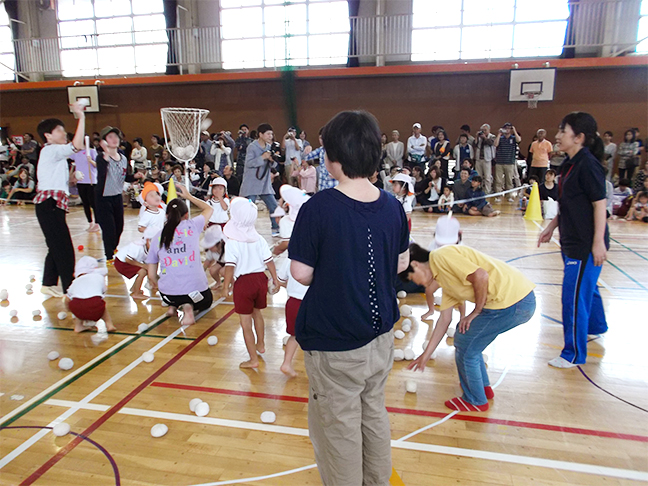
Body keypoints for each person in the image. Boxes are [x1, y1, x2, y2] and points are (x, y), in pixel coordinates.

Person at [288, 110, 410, 486]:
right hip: (380, 338)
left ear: (334, 158)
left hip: (337, 342)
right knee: (372, 413)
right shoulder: (392, 204)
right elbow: (402, 261)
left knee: (338, 431)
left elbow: (300, 273)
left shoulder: (319, 208)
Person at [402, 243, 536, 411]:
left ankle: (475, 399)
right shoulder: (443, 279)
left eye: (413, 279)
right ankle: (482, 388)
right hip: (514, 300)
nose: (419, 284)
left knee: (465, 343)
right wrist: (425, 355)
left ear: (415, 264)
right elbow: (444, 319)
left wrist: (476, 311)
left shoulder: (440, 257)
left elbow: (480, 276)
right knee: (469, 339)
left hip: (513, 301)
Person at [538, 112, 609, 368]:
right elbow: (567, 203)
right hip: (569, 240)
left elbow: (600, 205)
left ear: (578, 137)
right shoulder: (568, 163)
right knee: (586, 287)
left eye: (562, 131)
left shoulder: (588, 165)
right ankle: (597, 326)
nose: (557, 136)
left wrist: (598, 242)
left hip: (585, 245)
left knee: (573, 297)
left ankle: (574, 354)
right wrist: (551, 226)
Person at [34, 102, 86, 297]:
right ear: (48, 135)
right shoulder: (51, 150)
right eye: (59, 130)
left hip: (51, 205)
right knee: (64, 249)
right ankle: (70, 288)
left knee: (55, 245)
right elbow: (77, 145)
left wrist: (71, 179)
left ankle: (48, 283)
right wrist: (81, 117)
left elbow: (57, 181)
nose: (64, 133)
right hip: (50, 206)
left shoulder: (53, 155)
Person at [221, 197, 279, 368]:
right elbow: (269, 261)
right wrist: (275, 279)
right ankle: (261, 344)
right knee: (257, 314)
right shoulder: (258, 238)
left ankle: (253, 359)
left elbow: (230, 267)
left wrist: (226, 286)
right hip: (261, 279)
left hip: (244, 284)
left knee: (245, 323)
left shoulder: (232, 242)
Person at [147, 183, 214, 326]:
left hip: (168, 295)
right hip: (197, 295)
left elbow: (151, 276)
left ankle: (173, 306)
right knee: (207, 300)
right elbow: (208, 208)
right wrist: (189, 196)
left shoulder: (157, 237)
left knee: (173, 288)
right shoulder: (192, 226)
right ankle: (188, 308)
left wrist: (164, 285)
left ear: (166, 216)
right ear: (187, 215)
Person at [274, 185, 310, 377]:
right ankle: (317, 370)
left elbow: (280, 280)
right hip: (312, 303)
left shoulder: (290, 258)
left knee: (294, 336)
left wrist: (287, 286)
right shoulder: (318, 256)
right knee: (317, 337)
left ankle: (287, 363)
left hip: (293, 302)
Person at [239, 123, 280, 236]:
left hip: (265, 183)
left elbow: (273, 166)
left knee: (274, 207)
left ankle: (276, 228)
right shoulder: (252, 147)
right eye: (268, 134)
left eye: (271, 134)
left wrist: (272, 160)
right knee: (249, 208)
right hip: (252, 183)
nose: (270, 136)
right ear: (260, 134)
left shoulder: (269, 147)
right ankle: (245, 229)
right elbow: (249, 163)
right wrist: (263, 157)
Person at [95, 126, 128, 261]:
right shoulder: (101, 158)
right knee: (109, 229)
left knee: (119, 227)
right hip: (103, 198)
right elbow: (101, 176)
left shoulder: (123, 158)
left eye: (116, 136)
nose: (114, 139)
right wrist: (106, 154)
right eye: (110, 137)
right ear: (104, 141)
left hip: (117, 196)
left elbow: (125, 176)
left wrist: (136, 176)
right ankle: (109, 256)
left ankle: (112, 249)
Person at [64, 256, 115, 333]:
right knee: (101, 305)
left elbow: (67, 299)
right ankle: (109, 325)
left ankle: (78, 326)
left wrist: (68, 309)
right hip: (94, 305)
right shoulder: (99, 277)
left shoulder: (75, 281)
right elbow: (102, 293)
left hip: (76, 308)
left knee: (78, 302)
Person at [114, 225, 159, 299]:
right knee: (142, 272)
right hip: (121, 262)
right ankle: (136, 293)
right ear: (148, 240)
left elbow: (147, 265)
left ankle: (134, 288)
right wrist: (142, 265)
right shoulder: (137, 247)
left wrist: (153, 281)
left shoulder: (148, 249)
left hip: (128, 261)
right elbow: (127, 259)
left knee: (145, 271)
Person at [71, 138, 99, 232]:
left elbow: (98, 165)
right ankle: (90, 222)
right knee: (85, 203)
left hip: (91, 181)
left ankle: (97, 223)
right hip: (81, 181)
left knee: (93, 203)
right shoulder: (76, 153)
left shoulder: (91, 151)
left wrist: (90, 161)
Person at [303, 127, 338, 192]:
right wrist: (307, 149)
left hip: (334, 185)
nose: (322, 140)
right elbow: (306, 157)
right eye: (320, 138)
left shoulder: (337, 150)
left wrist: (338, 173)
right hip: (322, 185)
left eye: (324, 137)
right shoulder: (321, 150)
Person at [494, 122, 521, 202]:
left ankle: (509, 196)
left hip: (510, 162)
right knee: (498, 180)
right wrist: (499, 134)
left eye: (509, 128)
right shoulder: (501, 138)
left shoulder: (513, 138)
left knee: (509, 180)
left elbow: (519, 140)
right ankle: (498, 196)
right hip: (499, 162)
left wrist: (515, 131)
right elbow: (495, 144)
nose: (507, 130)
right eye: (506, 128)